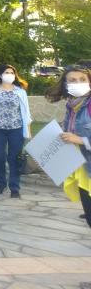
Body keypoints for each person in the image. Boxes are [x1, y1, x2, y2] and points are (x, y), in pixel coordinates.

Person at [47, 65, 91, 229]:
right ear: (66, 84)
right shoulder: (72, 106)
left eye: (82, 79)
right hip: (82, 168)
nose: (77, 83)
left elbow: (79, 136)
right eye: (72, 80)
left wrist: (79, 139)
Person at [0, 64, 32, 198]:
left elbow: (26, 112)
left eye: (12, 72)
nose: (9, 74)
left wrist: (27, 130)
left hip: (16, 128)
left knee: (14, 158)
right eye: (6, 72)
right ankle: (1, 184)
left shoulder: (20, 91)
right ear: (0, 74)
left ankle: (14, 188)